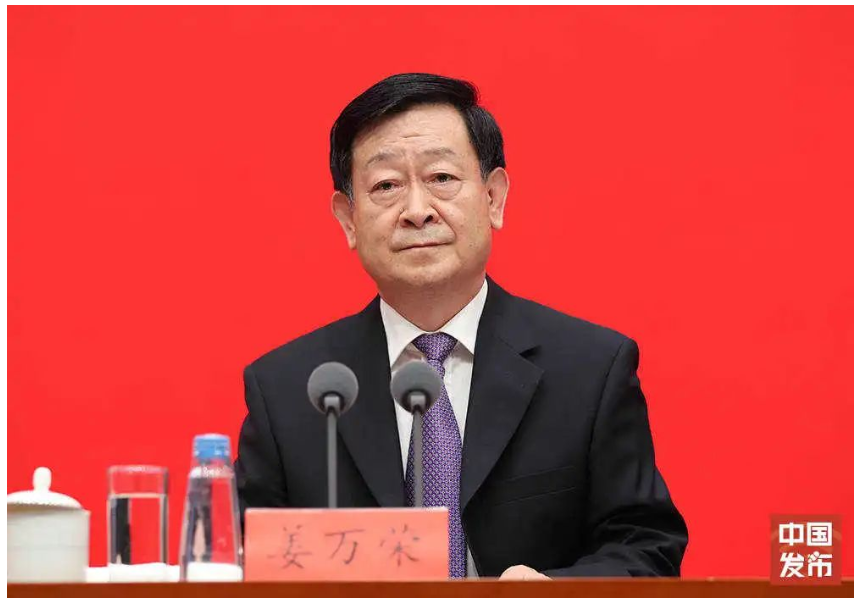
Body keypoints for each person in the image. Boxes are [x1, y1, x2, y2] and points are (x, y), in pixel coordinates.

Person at [234, 73, 688, 579]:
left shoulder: (590, 369)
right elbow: (241, 566)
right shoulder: (289, 390)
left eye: (442, 178)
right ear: (348, 219)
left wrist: (550, 593)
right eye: (386, 186)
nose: (416, 211)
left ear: (494, 198)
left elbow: (646, 546)